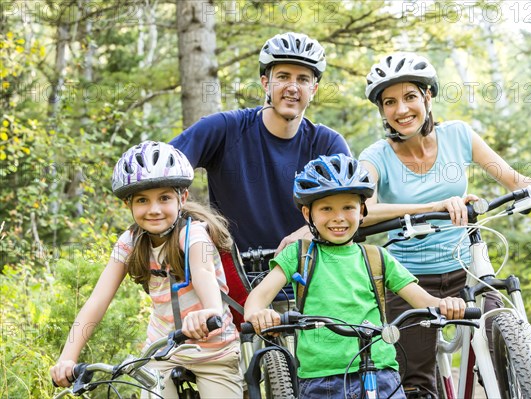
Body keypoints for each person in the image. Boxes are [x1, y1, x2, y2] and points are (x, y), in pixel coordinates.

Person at [359, 52, 531, 398]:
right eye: (390, 102)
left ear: (428, 96)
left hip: (466, 270)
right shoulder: (374, 156)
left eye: (410, 97)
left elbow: (516, 182)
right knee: (415, 384)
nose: (401, 110)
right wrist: (434, 205)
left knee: (504, 331)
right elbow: (362, 210)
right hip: (408, 280)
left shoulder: (458, 134)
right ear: (382, 111)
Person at [244, 154, 467, 399]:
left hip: (381, 374)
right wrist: (260, 314)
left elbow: (423, 301)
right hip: (321, 380)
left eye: (348, 207)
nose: (338, 217)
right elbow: (258, 297)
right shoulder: (298, 255)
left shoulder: (377, 257)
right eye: (327, 208)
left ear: (362, 211)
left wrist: (447, 305)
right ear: (308, 214)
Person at [50, 141, 243, 398]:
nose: (153, 209)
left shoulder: (194, 234)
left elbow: (204, 273)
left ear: (182, 198)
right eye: (142, 200)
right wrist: (67, 357)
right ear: (128, 204)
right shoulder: (129, 242)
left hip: (213, 351)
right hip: (163, 350)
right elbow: (97, 300)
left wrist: (210, 311)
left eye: (164, 198)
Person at [170, 32, 351, 257]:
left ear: (313, 90)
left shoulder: (327, 143)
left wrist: (309, 230)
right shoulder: (225, 129)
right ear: (265, 83)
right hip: (232, 278)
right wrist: (193, 223)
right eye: (283, 77)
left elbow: (353, 209)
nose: (293, 87)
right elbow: (160, 171)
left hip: (307, 273)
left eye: (303, 79)